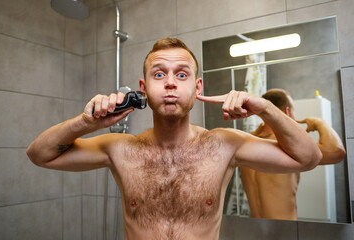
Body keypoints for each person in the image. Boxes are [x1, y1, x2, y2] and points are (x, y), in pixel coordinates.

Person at [26, 37, 322, 240]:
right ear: (143, 87)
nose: (169, 82)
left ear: (197, 86)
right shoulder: (120, 149)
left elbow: (309, 158)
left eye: (182, 75)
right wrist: (85, 122)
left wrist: (265, 107)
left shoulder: (224, 145)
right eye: (159, 74)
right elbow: (39, 154)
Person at [240, 88, 346, 220]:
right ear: (286, 112)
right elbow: (337, 152)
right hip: (285, 230)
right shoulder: (287, 146)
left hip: (254, 229)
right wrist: (320, 122)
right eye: (293, 111)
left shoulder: (244, 142)